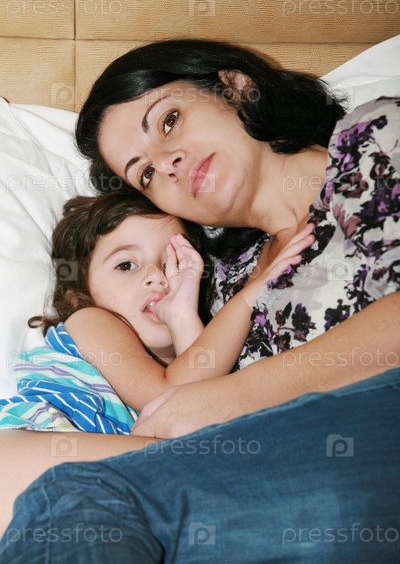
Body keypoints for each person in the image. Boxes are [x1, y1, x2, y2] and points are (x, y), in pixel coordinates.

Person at [1, 39, 399, 561]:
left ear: (235, 88)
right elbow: (184, 384)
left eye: (169, 121)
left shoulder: (374, 138)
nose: (167, 164)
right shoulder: (223, 283)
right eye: (145, 174)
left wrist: (237, 397)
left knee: (70, 496)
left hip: (353, 455)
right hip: (246, 504)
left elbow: (197, 406)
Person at [0, 190, 312, 433]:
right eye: (126, 265)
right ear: (78, 297)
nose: (156, 275)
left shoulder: (190, 362)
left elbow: (198, 400)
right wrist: (250, 296)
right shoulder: (90, 320)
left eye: (172, 262)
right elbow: (168, 395)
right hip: (33, 445)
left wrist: (181, 316)